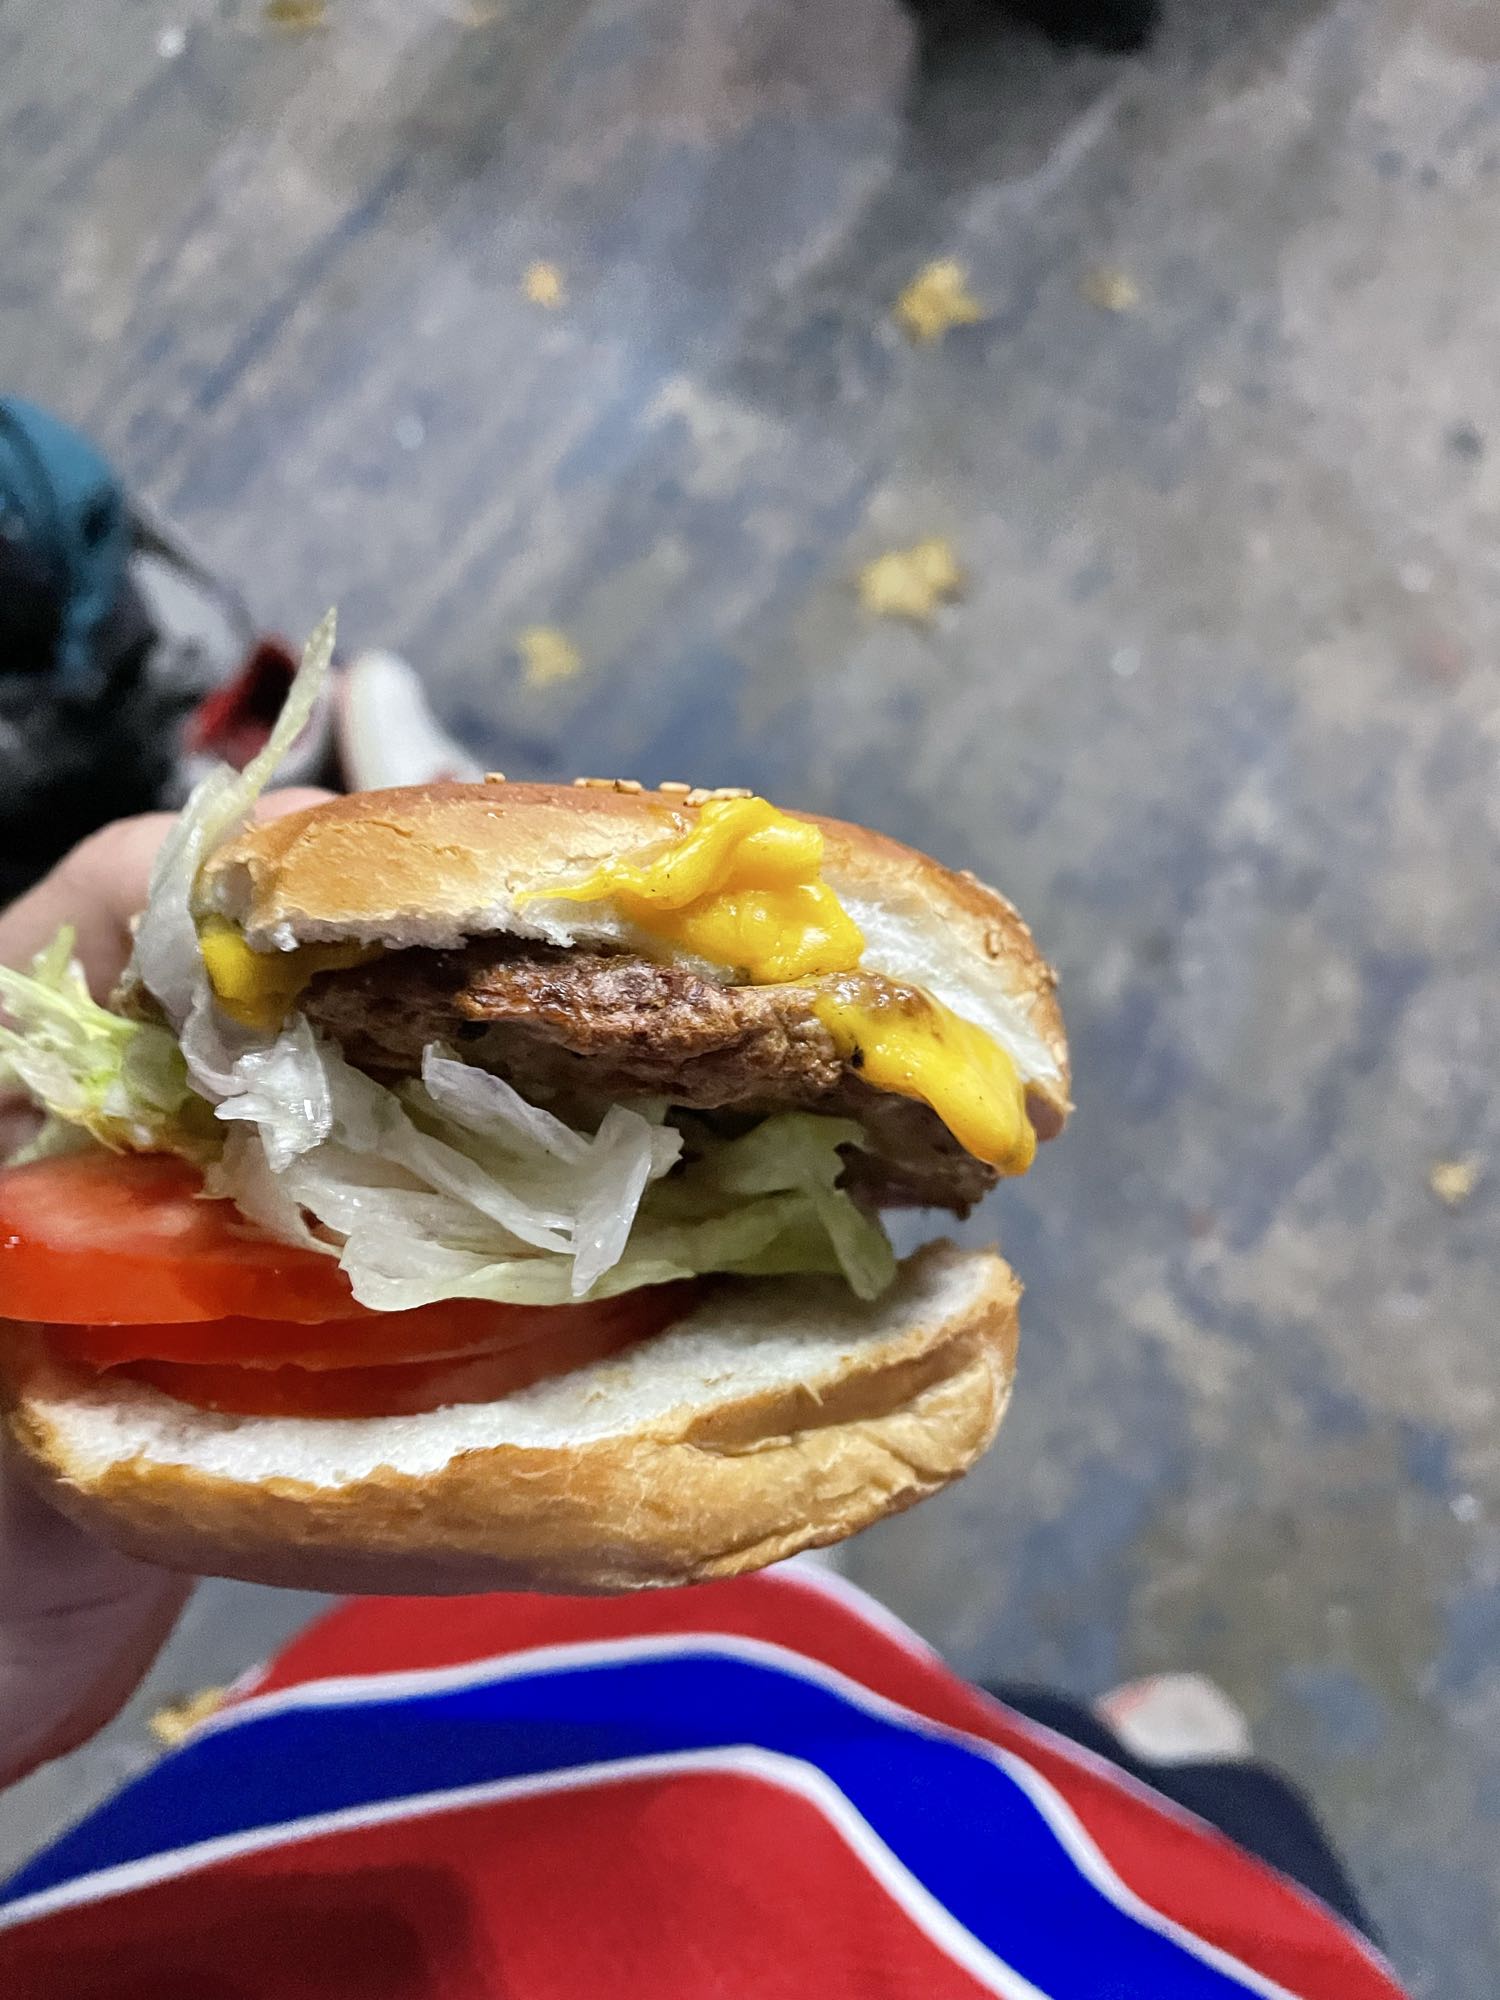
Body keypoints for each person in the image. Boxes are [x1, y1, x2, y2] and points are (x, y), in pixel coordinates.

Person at [0, 810, 1409, 2000]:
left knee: (644, 1661)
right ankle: (1153, 1769)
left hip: (257, 1856)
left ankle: (1089, 1741)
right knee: (1205, 1845)